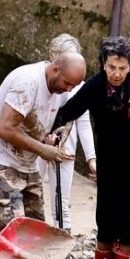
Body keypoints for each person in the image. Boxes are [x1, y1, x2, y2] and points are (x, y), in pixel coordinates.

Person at [0, 51, 87, 259]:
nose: (67, 90)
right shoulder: (27, 81)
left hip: (25, 162)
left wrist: (58, 136)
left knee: (36, 225)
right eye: (66, 83)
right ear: (55, 69)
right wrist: (43, 150)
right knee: (6, 227)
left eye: (73, 86)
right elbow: (5, 127)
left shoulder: (61, 89)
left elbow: (65, 118)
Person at [52, 36, 130, 259]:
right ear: (103, 64)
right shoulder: (94, 86)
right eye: (111, 67)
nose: (117, 74)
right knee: (108, 212)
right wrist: (54, 134)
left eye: (122, 68)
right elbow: (67, 112)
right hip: (110, 158)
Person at [36, 34, 97, 232]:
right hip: (39, 147)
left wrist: (91, 158)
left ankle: (64, 254)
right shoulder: (41, 79)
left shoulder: (79, 85)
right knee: (32, 195)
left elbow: (84, 123)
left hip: (66, 151)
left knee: (61, 204)